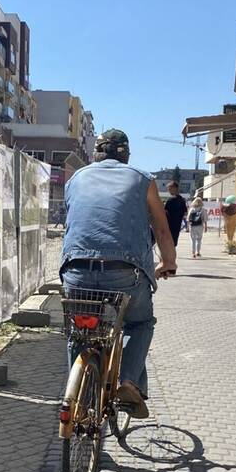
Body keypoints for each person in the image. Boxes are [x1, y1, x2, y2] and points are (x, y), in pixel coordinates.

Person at [61, 129, 177, 419]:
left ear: (97, 153)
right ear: (126, 154)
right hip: (124, 271)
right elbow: (162, 229)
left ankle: (79, 406)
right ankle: (128, 382)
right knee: (140, 324)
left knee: (80, 333)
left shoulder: (76, 178)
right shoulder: (142, 179)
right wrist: (169, 263)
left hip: (76, 270)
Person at [164, 182, 188, 247]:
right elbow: (185, 213)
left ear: (175, 188)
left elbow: (164, 212)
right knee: (173, 245)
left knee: (166, 245)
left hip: (168, 226)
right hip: (177, 226)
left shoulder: (170, 201)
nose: (168, 191)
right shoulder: (182, 200)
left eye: (169, 189)